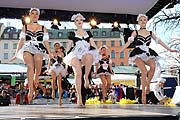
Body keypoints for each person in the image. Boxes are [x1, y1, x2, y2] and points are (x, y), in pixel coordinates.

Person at [119, 14, 179, 104]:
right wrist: (120, 50)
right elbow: (129, 42)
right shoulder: (135, 32)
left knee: (153, 66)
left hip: (147, 53)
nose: (143, 21)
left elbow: (160, 41)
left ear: (146, 21)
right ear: (138, 22)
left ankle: (147, 85)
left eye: (144, 20)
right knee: (144, 71)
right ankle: (143, 93)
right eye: (141, 20)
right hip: (137, 53)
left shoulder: (150, 33)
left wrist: (169, 49)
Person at [10, 8, 52, 103]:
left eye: (36, 13)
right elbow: (21, 40)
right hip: (27, 47)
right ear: (30, 15)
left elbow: (46, 42)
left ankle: (36, 76)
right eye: (32, 13)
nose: (34, 15)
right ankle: (31, 90)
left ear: (38, 16)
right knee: (30, 66)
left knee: (38, 58)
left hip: (39, 47)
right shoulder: (25, 27)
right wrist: (16, 54)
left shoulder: (43, 28)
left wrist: (49, 53)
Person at [63, 13, 99, 106]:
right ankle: (79, 96)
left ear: (83, 22)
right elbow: (68, 47)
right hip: (75, 55)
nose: (79, 21)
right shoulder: (72, 33)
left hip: (84, 55)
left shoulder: (88, 33)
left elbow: (93, 44)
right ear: (74, 22)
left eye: (81, 20)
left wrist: (98, 53)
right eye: (77, 20)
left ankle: (86, 77)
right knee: (78, 73)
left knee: (90, 55)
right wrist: (67, 61)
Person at [47, 41, 66, 106]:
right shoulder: (51, 53)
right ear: (54, 47)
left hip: (60, 67)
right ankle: (53, 91)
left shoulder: (62, 53)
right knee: (53, 78)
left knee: (59, 84)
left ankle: (60, 99)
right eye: (56, 46)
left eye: (58, 46)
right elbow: (49, 62)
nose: (57, 47)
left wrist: (65, 68)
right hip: (53, 67)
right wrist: (47, 68)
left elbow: (64, 61)